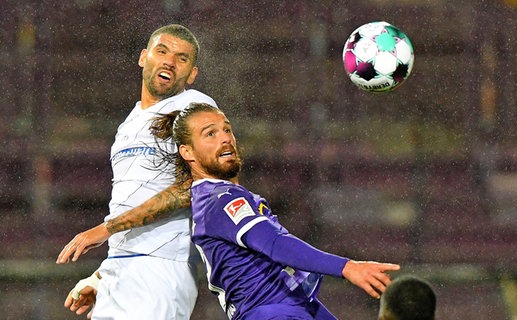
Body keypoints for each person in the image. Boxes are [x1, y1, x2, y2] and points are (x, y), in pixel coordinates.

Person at [147, 102, 401, 319]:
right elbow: (274, 244)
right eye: (210, 134)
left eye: (227, 129)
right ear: (187, 152)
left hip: (293, 306)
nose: (225, 137)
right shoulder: (219, 200)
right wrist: (347, 267)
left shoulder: (222, 198)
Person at [56, 24, 218, 319]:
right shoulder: (128, 125)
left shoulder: (194, 107)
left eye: (182, 58)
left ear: (192, 75)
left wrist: (105, 230)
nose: (169, 61)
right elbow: (133, 201)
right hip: (120, 269)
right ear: (144, 57)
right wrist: (104, 275)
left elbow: (197, 186)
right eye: (162, 51)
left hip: (160, 269)